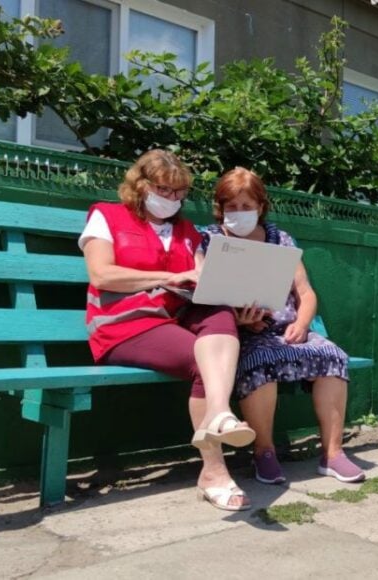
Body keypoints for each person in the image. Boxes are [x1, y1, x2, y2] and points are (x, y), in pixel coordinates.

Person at [79, 150, 255, 511]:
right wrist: (167, 277)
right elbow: (101, 274)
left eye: (180, 192)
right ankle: (214, 471)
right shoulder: (105, 216)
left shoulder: (187, 232)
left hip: (172, 317)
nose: (173, 199)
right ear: (141, 185)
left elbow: (203, 281)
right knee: (203, 362)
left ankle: (220, 412)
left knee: (218, 312)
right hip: (124, 325)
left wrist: (239, 304)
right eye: (165, 189)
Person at [201, 167, 366, 484]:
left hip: (290, 331)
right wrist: (240, 321)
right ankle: (264, 452)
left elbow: (306, 293)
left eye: (246, 206)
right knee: (259, 363)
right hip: (244, 335)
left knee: (333, 357)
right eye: (231, 207)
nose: (239, 213)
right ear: (220, 208)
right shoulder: (209, 239)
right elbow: (207, 295)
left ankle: (333, 454)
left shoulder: (282, 239)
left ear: (260, 207)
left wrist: (303, 324)